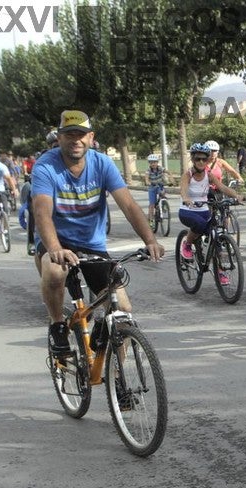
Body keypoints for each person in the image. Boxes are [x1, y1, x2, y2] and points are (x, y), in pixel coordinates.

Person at [31, 110, 166, 356]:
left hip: (91, 244)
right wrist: (55, 248)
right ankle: (57, 324)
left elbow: (129, 205)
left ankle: (117, 377)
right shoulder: (45, 166)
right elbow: (42, 213)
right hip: (56, 241)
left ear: (91, 137)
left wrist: (150, 240)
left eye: (81, 134)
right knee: (54, 271)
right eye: (69, 134)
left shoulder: (102, 163)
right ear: (59, 138)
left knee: (122, 312)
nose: (76, 140)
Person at [177, 142, 243, 284]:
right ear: (193, 159)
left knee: (216, 237)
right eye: (197, 159)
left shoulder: (209, 175)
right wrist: (187, 199)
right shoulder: (188, 175)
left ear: (207, 160)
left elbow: (222, 187)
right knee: (199, 224)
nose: (201, 162)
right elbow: (183, 189)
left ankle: (220, 271)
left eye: (204, 159)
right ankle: (187, 244)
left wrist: (236, 196)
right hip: (188, 211)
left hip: (204, 211)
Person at [144, 154, 169, 223]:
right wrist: (148, 182)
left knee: (163, 194)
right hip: (152, 187)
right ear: (149, 163)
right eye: (151, 162)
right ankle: (151, 220)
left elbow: (168, 172)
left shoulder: (160, 168)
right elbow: (146, 178)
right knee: (152, 204)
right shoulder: (148, 170)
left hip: (160, 185)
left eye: (155, 162)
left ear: (157, 162)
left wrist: (171, 180)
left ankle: (163, 208)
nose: (153, 164)